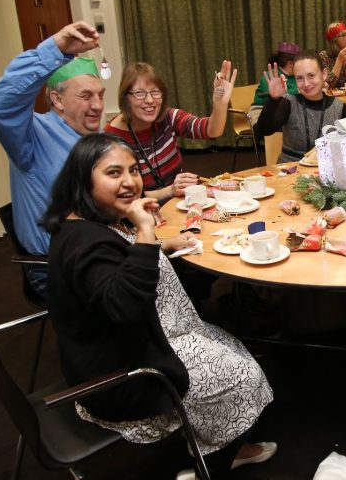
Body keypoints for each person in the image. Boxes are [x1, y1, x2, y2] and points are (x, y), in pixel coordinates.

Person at [43, 134, 276, 477]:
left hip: (125, 347)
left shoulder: (84, 223)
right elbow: (126, 305)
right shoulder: (85, 246)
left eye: (133, 170)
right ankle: (211, 465)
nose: (129, 182)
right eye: (113, 173)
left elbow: (118, 262)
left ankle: (219, 440)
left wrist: (162, 243)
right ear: (82, 180)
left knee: (234, 346)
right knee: (245, 375)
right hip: (124, 376)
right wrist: (145, 230)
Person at [0, 21, 104, 296]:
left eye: (100, 95)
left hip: (97, 250)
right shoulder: (32, 135)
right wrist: (54, 49)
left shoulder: (93, 134)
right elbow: (1, 103)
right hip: (57, 268)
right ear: (57, 100)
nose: (98, 105)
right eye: (86, 96)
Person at [105, 60, 237, 201]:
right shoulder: (112, 138)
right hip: (142, 212)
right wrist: (171, 190)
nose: (149, 100)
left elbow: (211, 130)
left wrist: (220, 104)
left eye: (155, 92)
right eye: (139, 93)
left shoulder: (167, 117)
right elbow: (127, 196)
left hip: (179, 202)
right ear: (125, 98)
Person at [254, 51, 346, 163]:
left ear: (324, 74)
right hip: (290, 169)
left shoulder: (340, 108)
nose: (306, 84)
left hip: (327, 169)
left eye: (311, 76)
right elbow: (261, 131)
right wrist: (273, 99)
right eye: (299, 78)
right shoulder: (289, 103)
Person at [249, 41, 301, 125]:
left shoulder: (295, 76)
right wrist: (298, 90)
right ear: (290, 63)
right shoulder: (272, 76)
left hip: (286, 109)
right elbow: (272, 98)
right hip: (262, 110)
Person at [318, 21, 346, 89]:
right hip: (332, 97)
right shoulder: (324, 56)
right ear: (334, 40)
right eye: (343, 35)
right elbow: (328, 85)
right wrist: (339, 60)